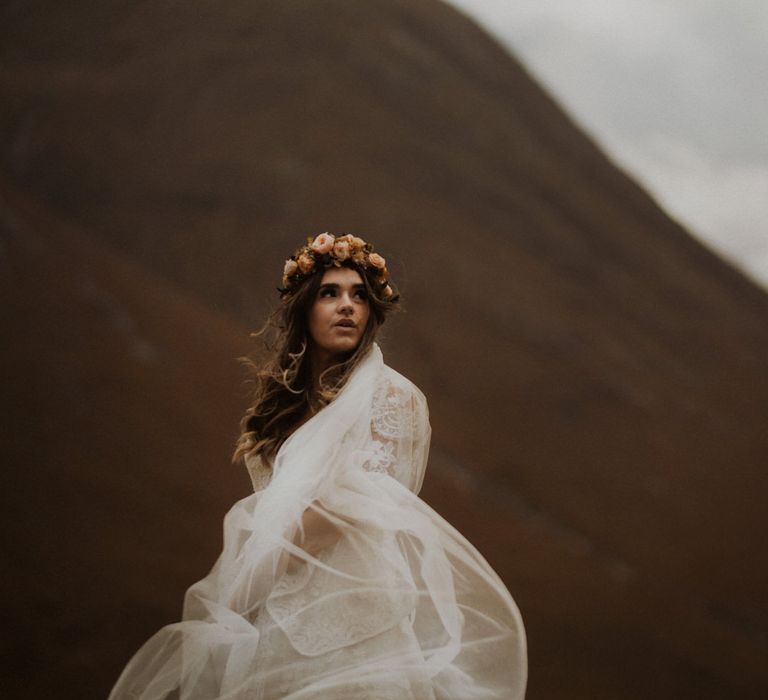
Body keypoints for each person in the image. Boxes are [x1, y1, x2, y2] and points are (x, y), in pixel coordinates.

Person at [108, 233, 527, 699]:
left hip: (356, 621)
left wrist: (253, 576)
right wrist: (252, 592)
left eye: (359, 295)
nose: (347, 306)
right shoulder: (280, 405)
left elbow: (358, 505)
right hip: (275, 624)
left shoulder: (393, 397)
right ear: (305, 308)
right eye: (330, 293)